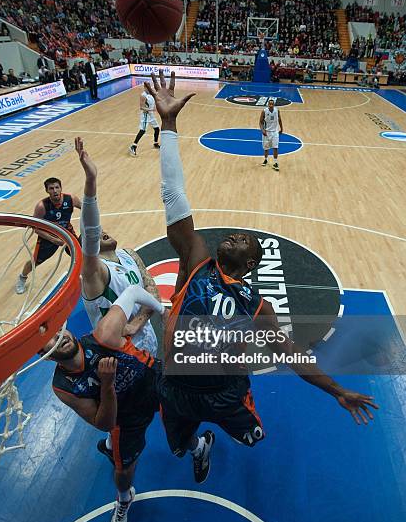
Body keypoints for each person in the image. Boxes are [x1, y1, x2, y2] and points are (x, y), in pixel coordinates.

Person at [145, 70, 378, 483]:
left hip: (223, 393)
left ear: (252, 264)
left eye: (243, 239)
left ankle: (226, 423)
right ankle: (200, 446)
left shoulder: (257, 307)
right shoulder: (196, 261)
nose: (234, 235)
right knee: (179, 447)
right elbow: (174, 197)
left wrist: (338, 390)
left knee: (254, 438)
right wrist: (168, 126)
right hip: (176, 386)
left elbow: (290, 355)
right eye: (234, 235)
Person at [40, 284, 164, 522]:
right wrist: (107, 384)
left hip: (155, 383)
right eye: (50, 342)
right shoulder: (64, 387)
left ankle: (197, 446)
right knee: (123, 471)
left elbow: (131, 291)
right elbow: (104, 422)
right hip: (126, 417)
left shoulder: (104, 335)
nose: (59, 337)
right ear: (47, 357)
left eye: (57, 332)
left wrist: (162, 310)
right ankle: (124, 500)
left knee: (189, 421)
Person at [75, 136, 160, 358]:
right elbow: (92, 231)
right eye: (95, 236)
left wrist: (138, 323)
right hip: (121, 353)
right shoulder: (94, 274)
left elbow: (153, 291)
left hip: (148, 341)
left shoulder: (130, 253)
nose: (102, 231)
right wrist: (91, 181)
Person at [15, 178, 81, 294]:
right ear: (47, 191)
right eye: (51, 188)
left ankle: (85, 276)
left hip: (67, 233)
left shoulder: (71, 199)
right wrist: (54, 240)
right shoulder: (42, 206)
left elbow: (86, 208)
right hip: (48, 236)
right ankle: (22, 277)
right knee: (35, 262)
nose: (55, 190)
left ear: (61, 188)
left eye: (57, 187)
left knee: (81, 255)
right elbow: (35, 228)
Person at [129, 84, 160, 156]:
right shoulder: (143, 95)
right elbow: (141, 107)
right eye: (148, 88)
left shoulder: (151, 93)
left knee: (157, 129)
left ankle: (155, 143)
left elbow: (156, 97)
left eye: (150, 88)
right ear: (145, 88)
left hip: (151, 114)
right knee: (142, 130)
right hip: (145, 115)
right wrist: (151, 109)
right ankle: (133, 146)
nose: (150, 89)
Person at [259, 98, 283, 171]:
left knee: (275, 147)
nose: (271, 105)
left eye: (272, 104)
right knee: (266, 148)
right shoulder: (264, 111)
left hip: (275, 132)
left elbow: (279, 119)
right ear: (268, 104)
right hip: (267, 132)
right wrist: (263, 130)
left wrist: (281, 128)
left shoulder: (277, 110)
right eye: (270, 104)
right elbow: (260, 122)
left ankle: (276, 163)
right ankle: (266, 160)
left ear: (274, 104)